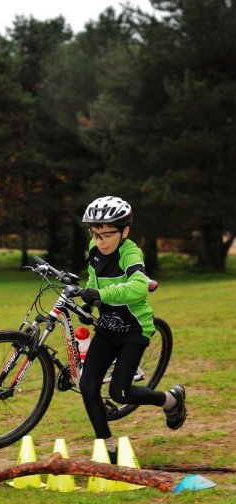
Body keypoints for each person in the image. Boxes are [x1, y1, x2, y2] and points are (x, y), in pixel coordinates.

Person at [79, 196, 186, 463]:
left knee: (120, 392)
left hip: (134, 330)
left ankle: (171, 400)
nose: (100, 240)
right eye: (95, 234)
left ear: (124, 231)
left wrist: (102, 294)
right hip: (107, 328)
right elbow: (93, 278)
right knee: (88, 385)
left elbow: (139, 286)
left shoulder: (130, 253)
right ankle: (108, 447)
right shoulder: (94, 248)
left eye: (107, 234)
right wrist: (90, 301)